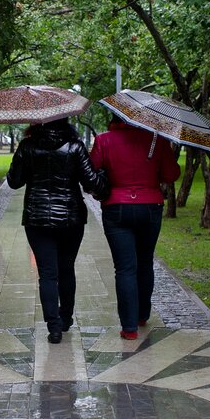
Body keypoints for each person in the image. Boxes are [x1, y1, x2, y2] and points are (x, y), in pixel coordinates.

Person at [7, 118, 107, 344]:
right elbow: (91, 182)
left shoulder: (28, 147)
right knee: (66, 268)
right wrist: (104, 180)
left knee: (47, 273)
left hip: (37, 218)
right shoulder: (74, 146)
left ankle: (53, 328)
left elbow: (14, 182)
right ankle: (65, 318)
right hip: (70, 218)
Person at [90, 115, 181, 340]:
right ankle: (142, 315)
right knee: (144, 261)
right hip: (150, 206)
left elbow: (91, 171)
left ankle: (129, 328)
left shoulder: (104, 140)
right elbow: (171, 174)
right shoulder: (156, 141)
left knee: (124, 268)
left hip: (116, 207)